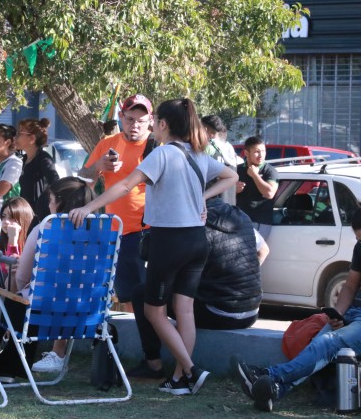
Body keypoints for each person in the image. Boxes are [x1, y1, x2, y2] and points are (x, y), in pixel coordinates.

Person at [69, 98, 238, 396]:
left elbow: (124, 185)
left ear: (161, 124)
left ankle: (191, 370)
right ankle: (180, 379)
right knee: (184, 311)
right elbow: (232, 176)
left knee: (154, 311)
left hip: (169, 241)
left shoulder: (162, 154)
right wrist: (202, 198)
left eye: (154, 122)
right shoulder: (198, 154)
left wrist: (88, 207)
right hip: (197, 241)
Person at [0, 177, 95, 382]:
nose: (49, 205)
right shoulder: (101, 233)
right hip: (84, 314)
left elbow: (21, 279)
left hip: (38, 316)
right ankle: (8, 368)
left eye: (51, 200)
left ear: (61, 203)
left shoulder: (44, 229)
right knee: (24, 303)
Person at [128, 198, 270, 379]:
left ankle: (154, 365)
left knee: (142, 294)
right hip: (251, 310)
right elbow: (264, 250)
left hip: (218, 311)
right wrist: (242, 278)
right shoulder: (240, 216)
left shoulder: (193, 224)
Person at [237, 209, 361, 413]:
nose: (359, 242)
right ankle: (274, 390)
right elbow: (350, 286)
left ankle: (268, 375)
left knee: (326, 343)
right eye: (358, 239)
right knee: (316, 345)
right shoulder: (360, 247)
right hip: (352, 312)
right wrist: (337, 314)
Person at [78, 94, 155, 313]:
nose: (135, 125)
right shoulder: (107, 144)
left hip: (149, 231)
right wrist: (98, 167)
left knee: (153, 298)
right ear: (121, 117)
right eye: (130, 119)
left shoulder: (157, 145)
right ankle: (135, 333)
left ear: (151, 120)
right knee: (128, 297)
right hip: (117, 232)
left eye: (141, 121)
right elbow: (84, 182)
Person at [15, 118, 59, 221]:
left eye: (19, 133)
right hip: (27, 215)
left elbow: (56, 182)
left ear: (32, 138)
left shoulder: (44, 158)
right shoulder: (24, 159)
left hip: (41, 217)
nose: (16, 137)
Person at [236, 136, 279, 239]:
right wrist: (234, 190)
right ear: (246, 153)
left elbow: (269, 193)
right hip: (239, 220)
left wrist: (255, 175)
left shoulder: (270, 171)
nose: (261, 155)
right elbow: (224, 194)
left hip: (260, 221)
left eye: (263, 151)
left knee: (254, 249)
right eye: (256, 152)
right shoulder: (237, 170)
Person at [0, 197, 34, 290]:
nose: (6, 221)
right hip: (1, 289)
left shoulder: (32, 240)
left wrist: (13, 239)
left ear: (23, 219)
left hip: (22, 291)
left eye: (11, 217)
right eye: (3, 216)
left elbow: (12, 288)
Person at [201, 115, 238, 205]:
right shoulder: (229, 148)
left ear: (205, 129)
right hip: (229, 203)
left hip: (211, 203)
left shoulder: (207, 148)